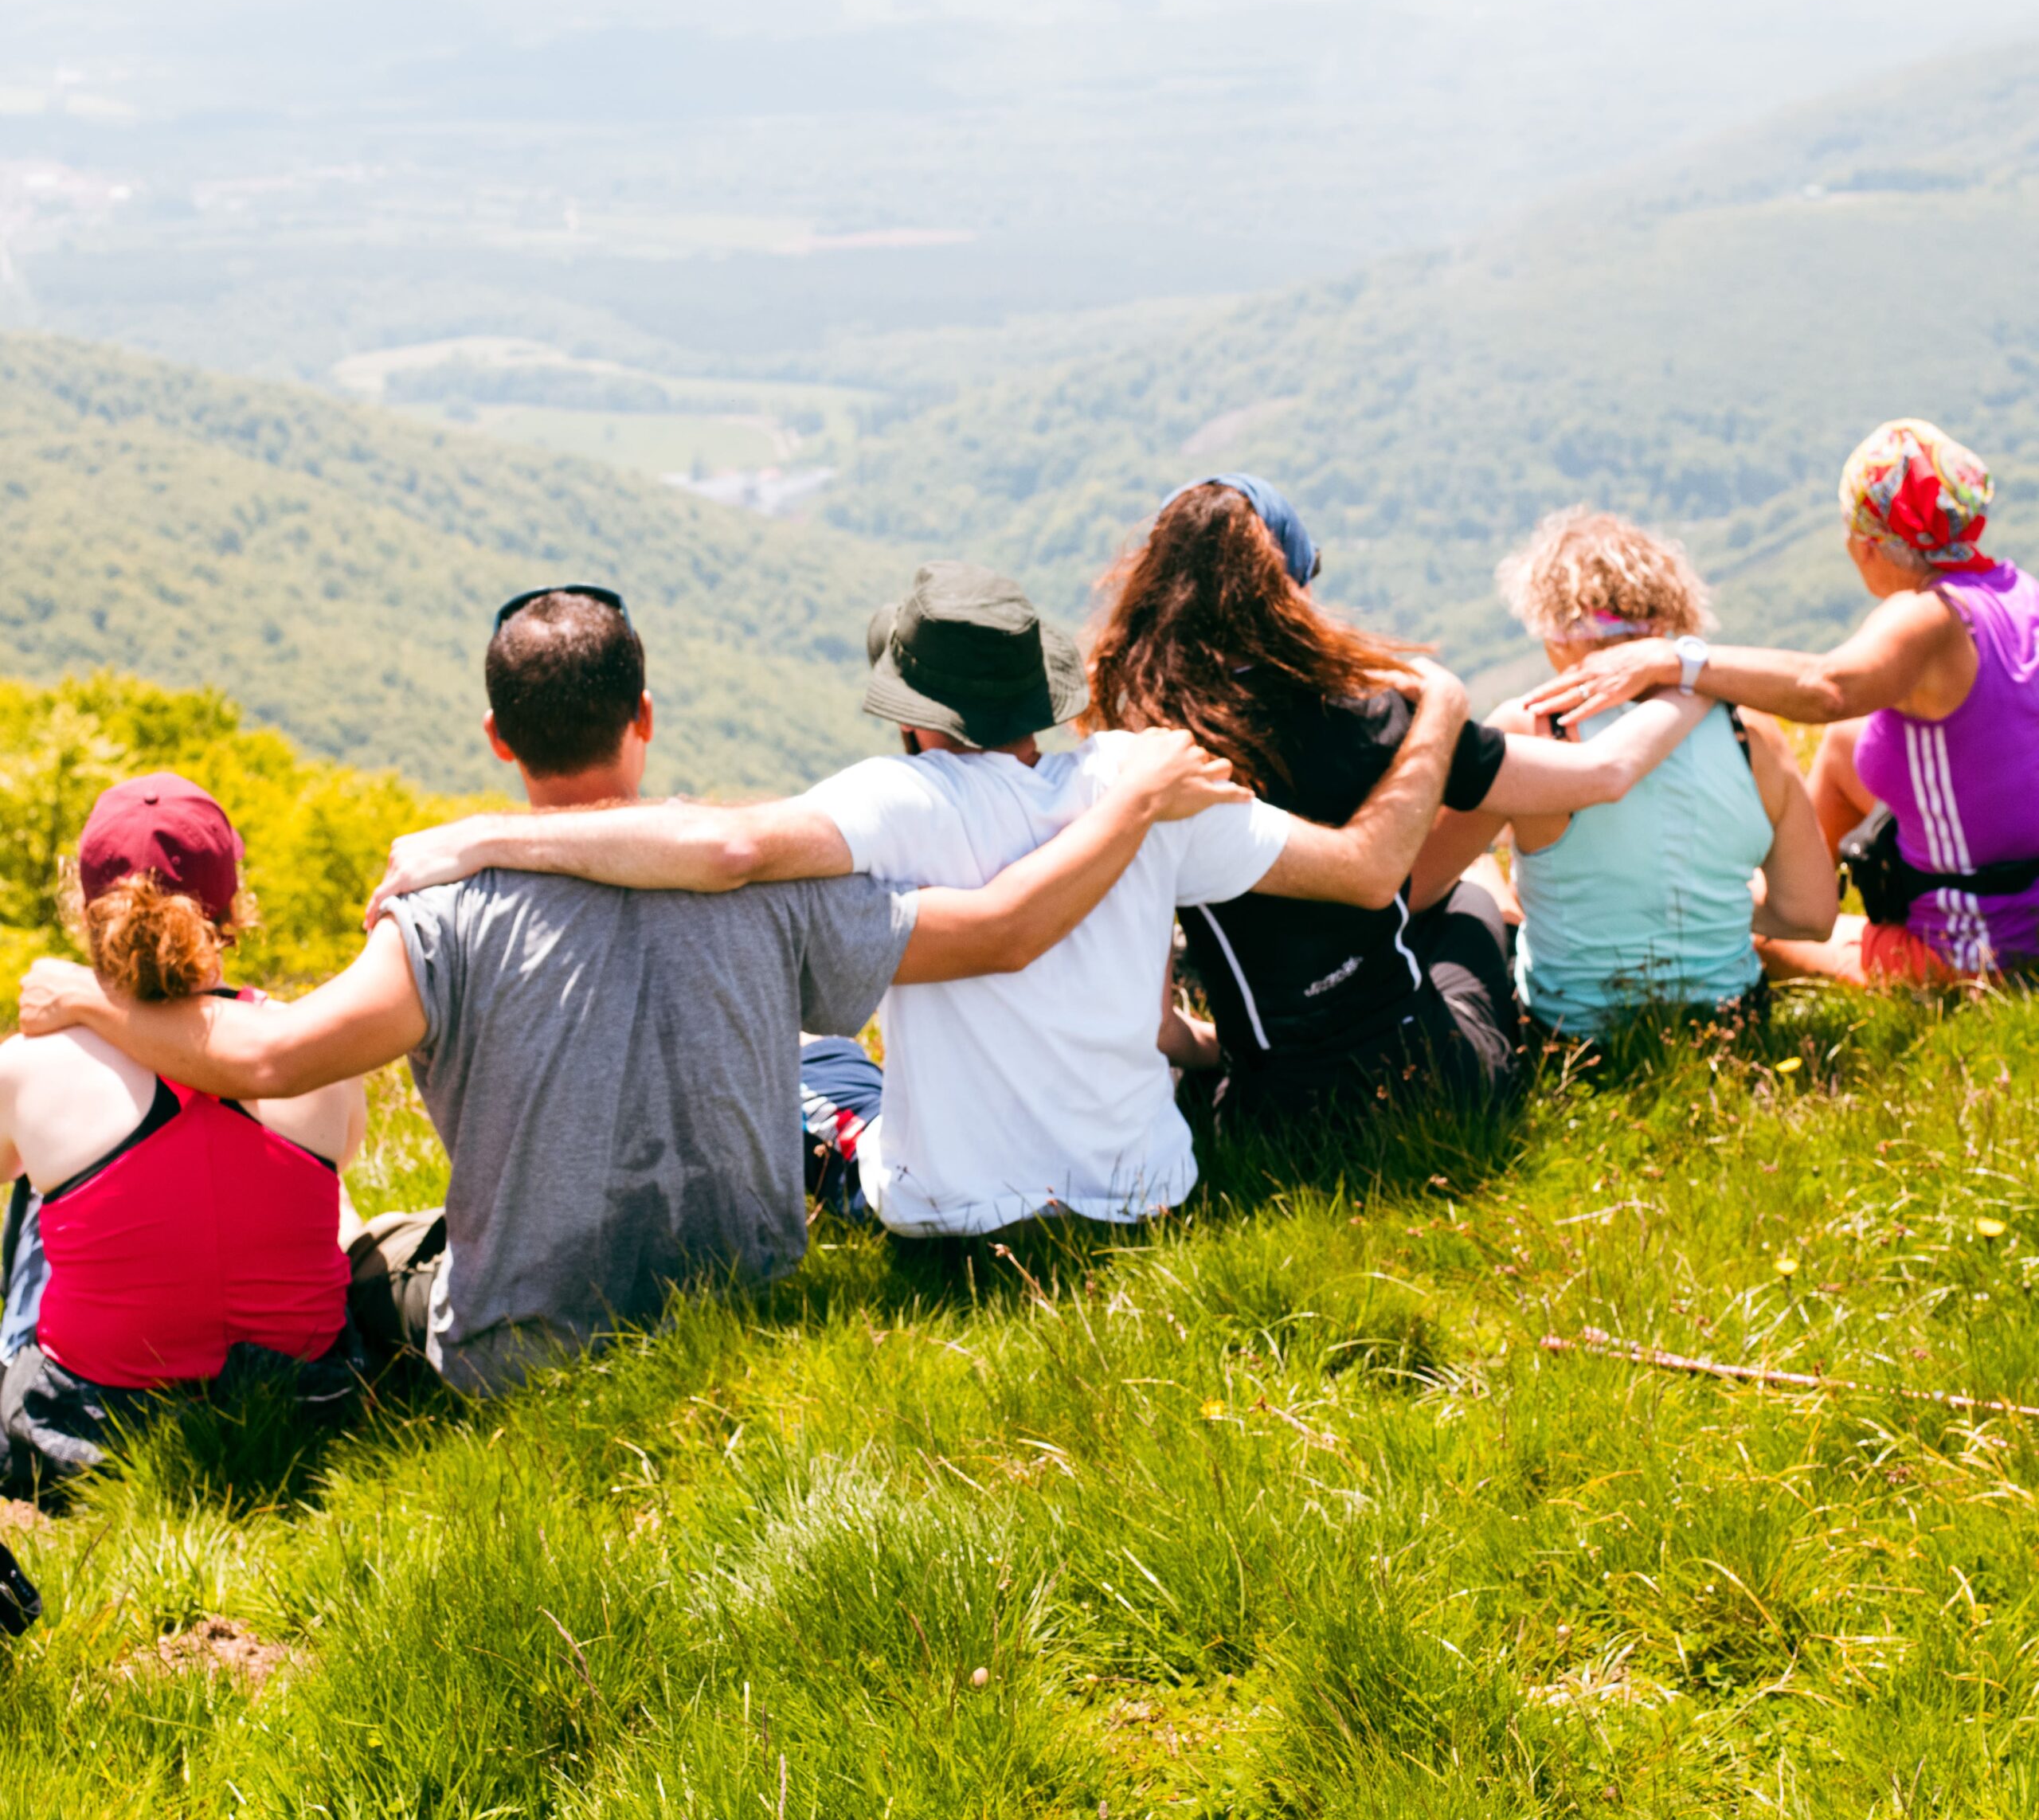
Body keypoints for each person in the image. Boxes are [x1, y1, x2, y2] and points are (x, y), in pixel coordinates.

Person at [18, 589, 1248, 1393]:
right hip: (748, 1312)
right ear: (645, 718)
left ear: (500, 741)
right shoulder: (774, 888)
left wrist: (87, 1002)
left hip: (522, 1356)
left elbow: (271, 1060)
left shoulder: (439, 921)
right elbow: (996, 934)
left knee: (366, 1261)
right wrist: (1121, 801)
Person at [344, 559, 1490, 1235]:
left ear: (914, 719)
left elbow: (733, 849)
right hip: (1151, 1193)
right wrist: (1439, 712)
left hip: (955, 1215)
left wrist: (481, 835)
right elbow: (1365, 870)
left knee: (813, 1063)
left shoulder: (904, 801)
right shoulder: (1151, 781)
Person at [1083, 476, 1720, 1120]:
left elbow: (1157, 1027)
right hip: (1438, 1084)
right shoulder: (1382, 716)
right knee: (1469, 899)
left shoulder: (1153, 764)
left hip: (1273, 1112)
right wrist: (1691, 678)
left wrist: (1231, 1050)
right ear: (1294, 589)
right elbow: (1606, 772)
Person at [1524, 421, 2039, 985]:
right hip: (2023, 890)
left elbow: (1829, 688)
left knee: (1733, 931)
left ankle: (1790, 912)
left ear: (1867, 544)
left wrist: (1677, 660)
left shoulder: (1925, 616)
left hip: (1982, 948)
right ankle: (1796, 886)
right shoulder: (2017, 591)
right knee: (1849, 745)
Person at [0, 773, 366, 1488]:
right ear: (232, 905)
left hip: (90, 1429)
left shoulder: (28, 1065)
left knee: (38, 1187)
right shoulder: (309, 1045)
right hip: (305, 1406)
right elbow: (346, 1152)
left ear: (85, 909)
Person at [1449, 509, 1834, 1036]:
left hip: (1575, 1032)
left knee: (1477, 876)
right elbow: (1811, 915)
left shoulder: (1530, 727)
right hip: (1735, 1022)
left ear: (1556, 632)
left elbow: (1428, 878)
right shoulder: (1754, 733)